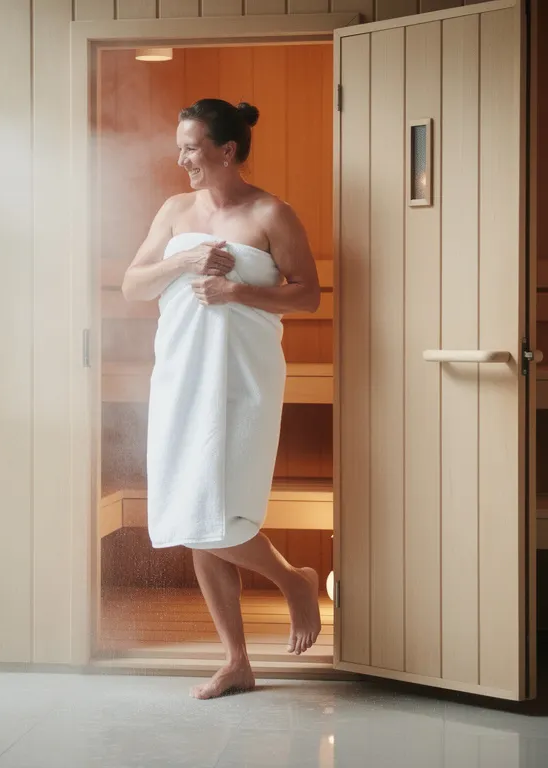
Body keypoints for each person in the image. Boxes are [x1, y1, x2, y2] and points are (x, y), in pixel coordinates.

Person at [121, 98, 324, 700]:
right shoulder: (175, 211)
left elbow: (308, 295)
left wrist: (236, 289)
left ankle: (293, 583)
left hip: (242, 378)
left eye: (191, 147)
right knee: (191, 509)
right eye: (180, 145)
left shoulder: (271, 213)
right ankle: (237, 660)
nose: (181, 157)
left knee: (216, 506)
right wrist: (182, 258)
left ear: (226, 151)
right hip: (181, 374)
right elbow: (134, 285)